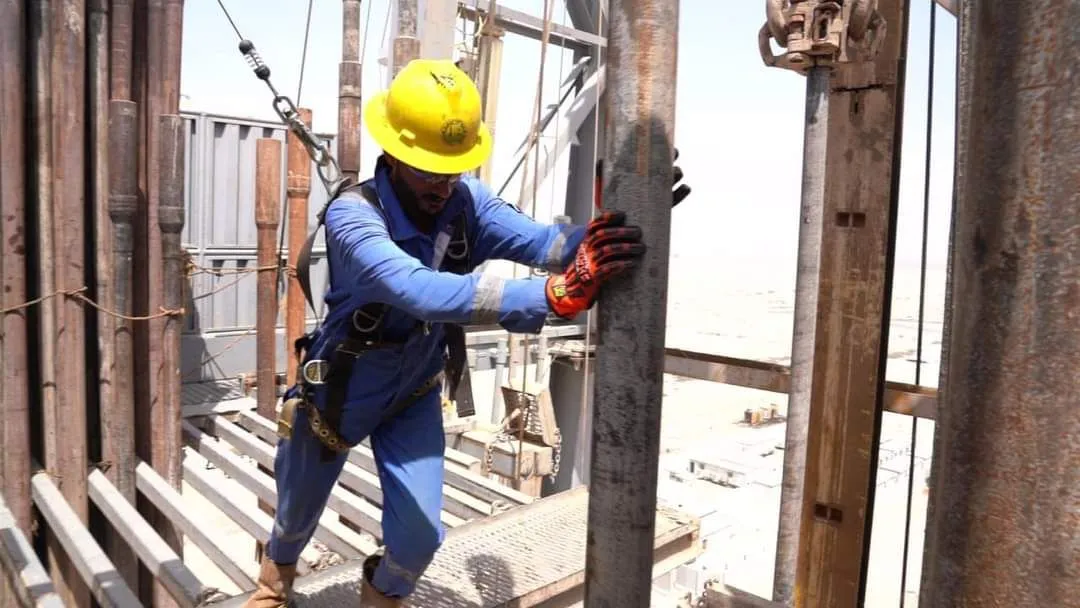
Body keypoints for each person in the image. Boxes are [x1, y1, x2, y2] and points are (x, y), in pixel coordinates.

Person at [242, 58, 690, 608]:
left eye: (452, 169)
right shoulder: (352, 218)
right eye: (429, 170)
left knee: (419, 537)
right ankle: (272, 588)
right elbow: (418, 290)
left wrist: (621, 216)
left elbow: (544, 245)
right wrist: (550, 296)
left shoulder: (467, 203)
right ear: (395, 155)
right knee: (294, 513)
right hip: (343, 386)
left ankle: (380, 597)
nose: (443, 183)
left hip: (412, 390)